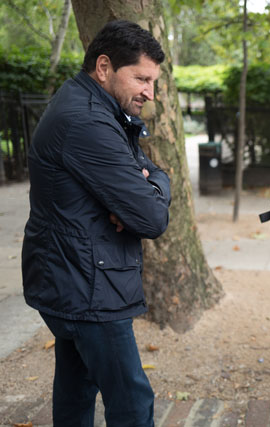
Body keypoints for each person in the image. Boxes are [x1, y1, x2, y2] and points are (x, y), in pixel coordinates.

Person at [21, 20, 170, 426]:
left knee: (76, 387)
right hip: (88, 285)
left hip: (71, 275)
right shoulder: (88, 120)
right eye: (141, 78)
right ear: (104, 67)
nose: (149, 93)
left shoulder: (92, 107)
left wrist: (150, 182)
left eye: (152, 81)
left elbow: (147, 177)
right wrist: (153, 186)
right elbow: (152, 217)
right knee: (132, 402)